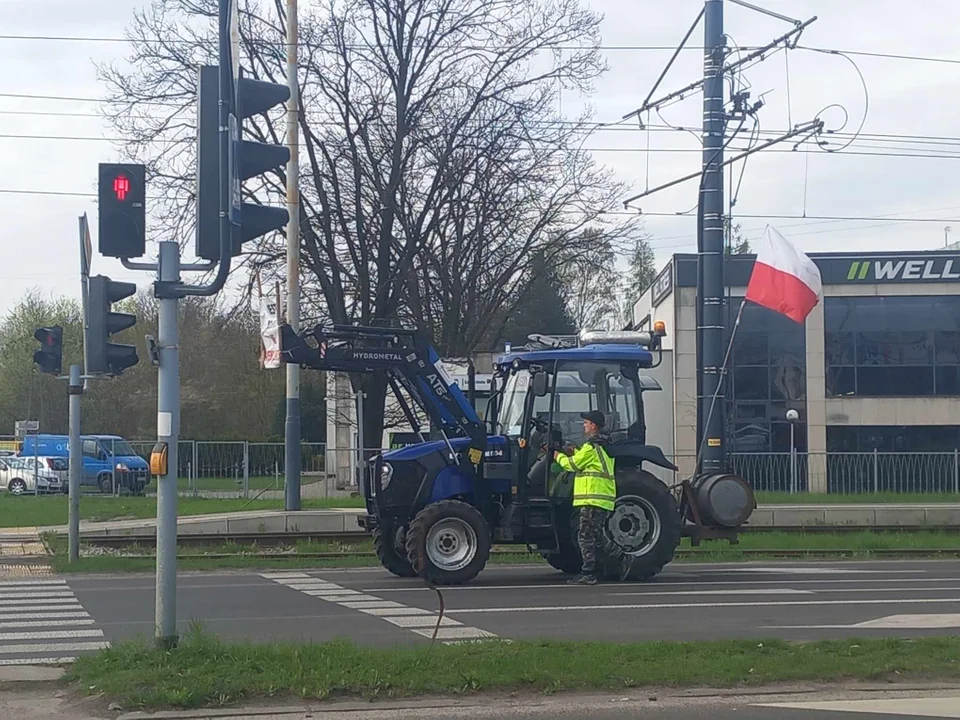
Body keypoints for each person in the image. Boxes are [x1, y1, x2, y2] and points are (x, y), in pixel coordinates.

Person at [554, 410, 616, 585]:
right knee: (598, 536)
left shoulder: (591, 447)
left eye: (586, 422)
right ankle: (617, 564)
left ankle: (589, 573)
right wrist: (574, 451)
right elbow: (585, 460)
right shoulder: (601, 446)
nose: (584, 425)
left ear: (593, 426)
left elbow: (572, 465)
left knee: (586, 536)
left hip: (592, 499)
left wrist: (558, 457)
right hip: (601, 499)